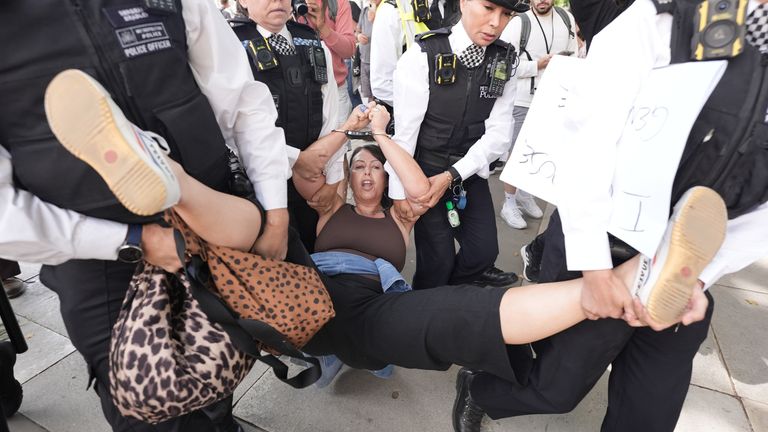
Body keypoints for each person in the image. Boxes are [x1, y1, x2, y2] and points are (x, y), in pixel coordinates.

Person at [45, 67, 728, 425]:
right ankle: (166, 179)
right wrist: (350, 134)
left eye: (372, 171)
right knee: (256, 231)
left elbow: (417, 185)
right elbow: (308, 169)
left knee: (454, 319)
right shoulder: (331, 199)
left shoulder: (402, 211)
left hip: (370, 302)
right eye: (361, 171)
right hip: (302, 282)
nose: (366, 175)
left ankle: (604, 290)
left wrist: (384, 136)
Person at [452, 0, 768, 430]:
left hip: (683, 274)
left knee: (649, 414)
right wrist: (596, 268)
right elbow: (588, 137)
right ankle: (479, 389)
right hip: (604, 247)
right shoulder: (663, 18)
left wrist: (697, 275)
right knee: (555, 388)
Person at [0, 0, 292, 430]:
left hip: (209, 223)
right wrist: (134, 241)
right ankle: (158, 171)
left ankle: (166, 175)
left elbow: (241, 100)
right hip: (95, 260)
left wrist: (277, 214)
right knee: (152, 406)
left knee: (222, 360)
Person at [386, 0, 528, 289]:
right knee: (437, 260)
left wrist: (453, 174)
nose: (495, 23)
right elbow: (405, 134)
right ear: (463, 2)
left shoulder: (505, 59)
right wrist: (399, 194)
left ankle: (444, 299)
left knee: (483, 253)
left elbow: (499, 133)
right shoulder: (422, 55)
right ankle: (428, 309)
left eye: (506, 14)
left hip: (467, 174)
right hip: (424, 176)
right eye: (488, 8)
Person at [231, 0, 368, 252]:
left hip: (313, 182)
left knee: (315, 253)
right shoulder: (230, 45)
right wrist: (296, 158)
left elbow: (330, 116)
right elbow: (231, 130)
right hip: (257, 186)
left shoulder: (312, 42)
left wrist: (333, 182)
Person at [495, 0, 577, 230]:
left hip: (555, 98)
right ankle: (508, 202)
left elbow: (576, 56)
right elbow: (503, 64)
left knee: (542, 151)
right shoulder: (518, 23)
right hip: (523, 99)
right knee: (518, 151)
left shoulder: (565, 18)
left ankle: (524, 193)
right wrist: (536, 65)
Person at [369, 0, 461, 114]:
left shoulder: (463, 6)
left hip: (458, 115)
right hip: (415, 118)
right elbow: (382, 84)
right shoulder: (392, 10)